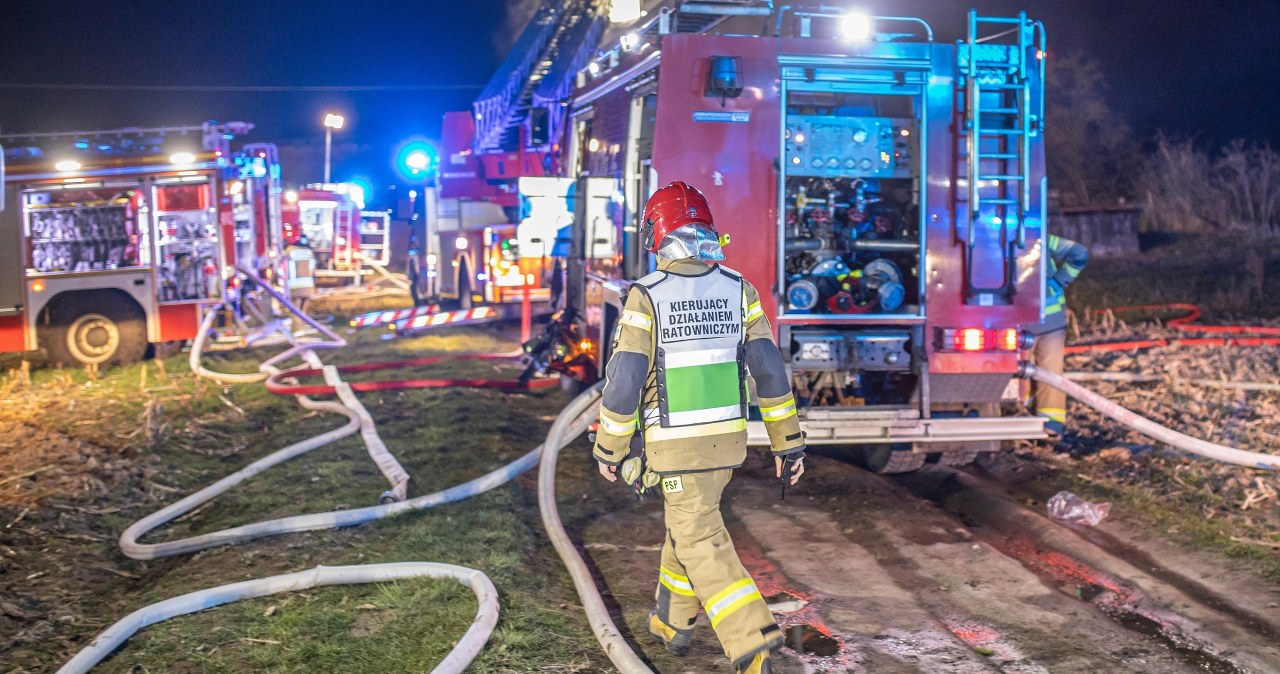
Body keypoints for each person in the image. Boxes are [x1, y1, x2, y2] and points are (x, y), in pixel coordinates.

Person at [592, 181, 806, 674]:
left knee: (700, 540)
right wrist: (787, 442)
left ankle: (751, 643)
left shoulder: (647, 296)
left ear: (657, 233)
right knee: (690, 523)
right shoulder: (740, 289)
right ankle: (673, 622)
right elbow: (769, 372)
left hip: (674, 448)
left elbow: (624, 380)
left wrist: (609, 448)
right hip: (727, 445)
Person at [1028, 233, 1089, 439]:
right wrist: (1058, 282)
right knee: (1051, 373)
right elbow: (1079, 254)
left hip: (1016, 325)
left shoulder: (990, 241)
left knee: (1017, 373)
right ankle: (1051, 427)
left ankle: (1023, 415)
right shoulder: (1040, 238)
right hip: (1051, 320)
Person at [284, 235, 317, 313]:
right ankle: (302, 319)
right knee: (304, 307)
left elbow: (284, 267)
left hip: (294, 284)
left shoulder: (289, 251)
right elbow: (313, 269)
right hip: (308, 284)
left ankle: (298, 321)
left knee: (296, 308)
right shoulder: (309, 252)